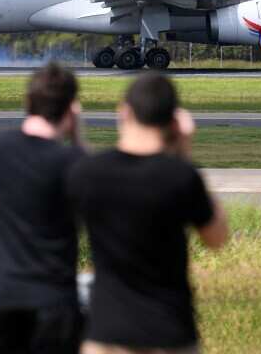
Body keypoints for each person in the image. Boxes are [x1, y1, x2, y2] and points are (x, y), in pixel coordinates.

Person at [67, 71, 229, 354]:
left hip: (107, 330)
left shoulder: (89, 173)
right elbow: (217, 238)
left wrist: (77, 136)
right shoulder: (181, 177)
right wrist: (185, 153)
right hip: (169, 331)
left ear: (123, 112)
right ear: (175, 122)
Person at [0, 62, 86, 354]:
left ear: (28, 102)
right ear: (71, 111)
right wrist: (78, 140)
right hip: (52, 303)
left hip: (1, 300)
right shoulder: (72, 163)